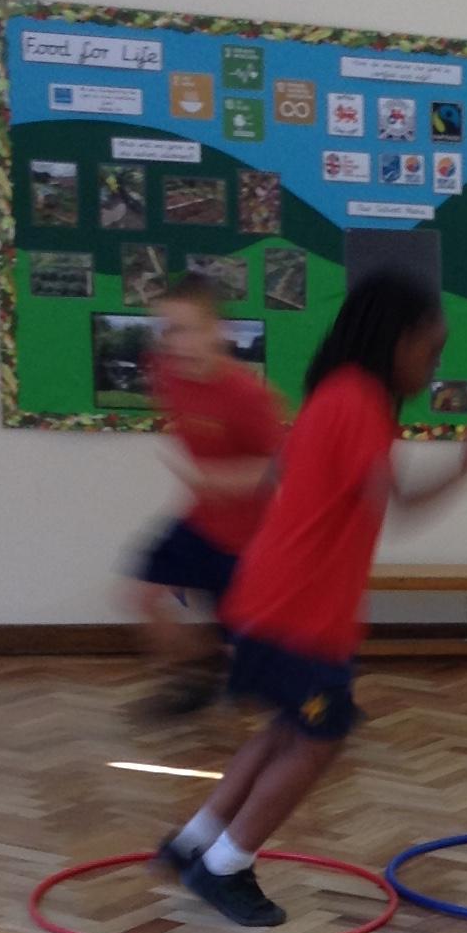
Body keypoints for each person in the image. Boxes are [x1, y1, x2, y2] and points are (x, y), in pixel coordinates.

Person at [157, 270, 467, 928]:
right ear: (396, 339)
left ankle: (193, 843)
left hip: (272, 599)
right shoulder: (360, 404)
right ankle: (225, 865)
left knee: (287, 729)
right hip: (299, 613)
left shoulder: (334, 393)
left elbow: (292, 476)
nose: (434, 366)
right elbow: (395, 505)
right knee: (321, 737)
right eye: (430, 350)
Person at [128, 275, 284, 716]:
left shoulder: (249, 396)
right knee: (141, 596)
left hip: (247, 541)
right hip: (199, 522)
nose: (175, 342)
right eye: (168, 330)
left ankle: (265, 678)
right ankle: (196, 675)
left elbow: (279, 468)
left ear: (217, 331)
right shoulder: (166, 374)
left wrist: (217, 479)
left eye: (187, 329)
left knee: (251, 681)